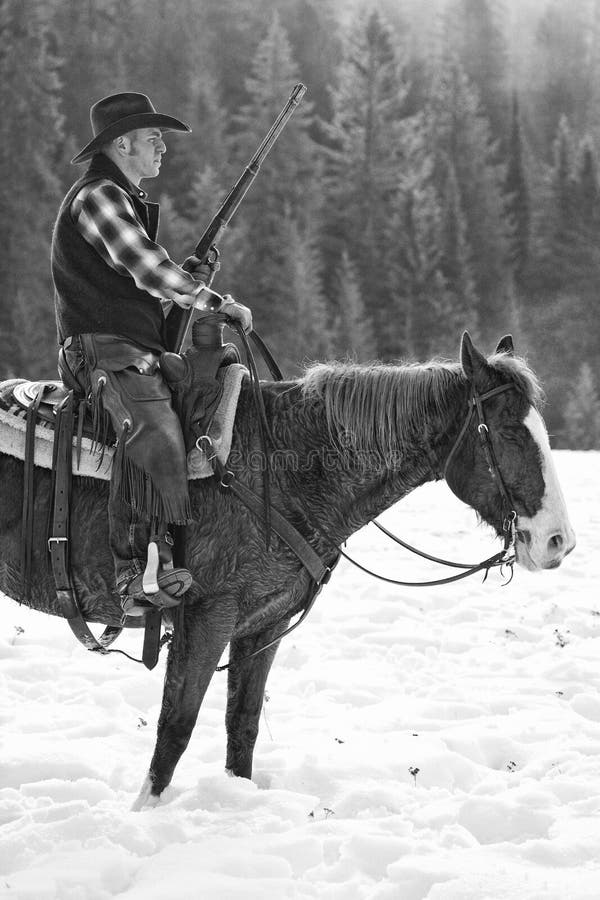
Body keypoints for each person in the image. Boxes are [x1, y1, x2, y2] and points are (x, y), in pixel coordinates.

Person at [51, 92, 252, 616]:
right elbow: (148, 269)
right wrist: (212, 300)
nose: (162, 146)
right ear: (123, 143)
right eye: (153, 137)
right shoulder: (99, 196)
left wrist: (192, 282)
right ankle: (134, 573)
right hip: (98, 350)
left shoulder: (121, 198)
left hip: (129, 346)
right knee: (157, 431)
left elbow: (145, 291)